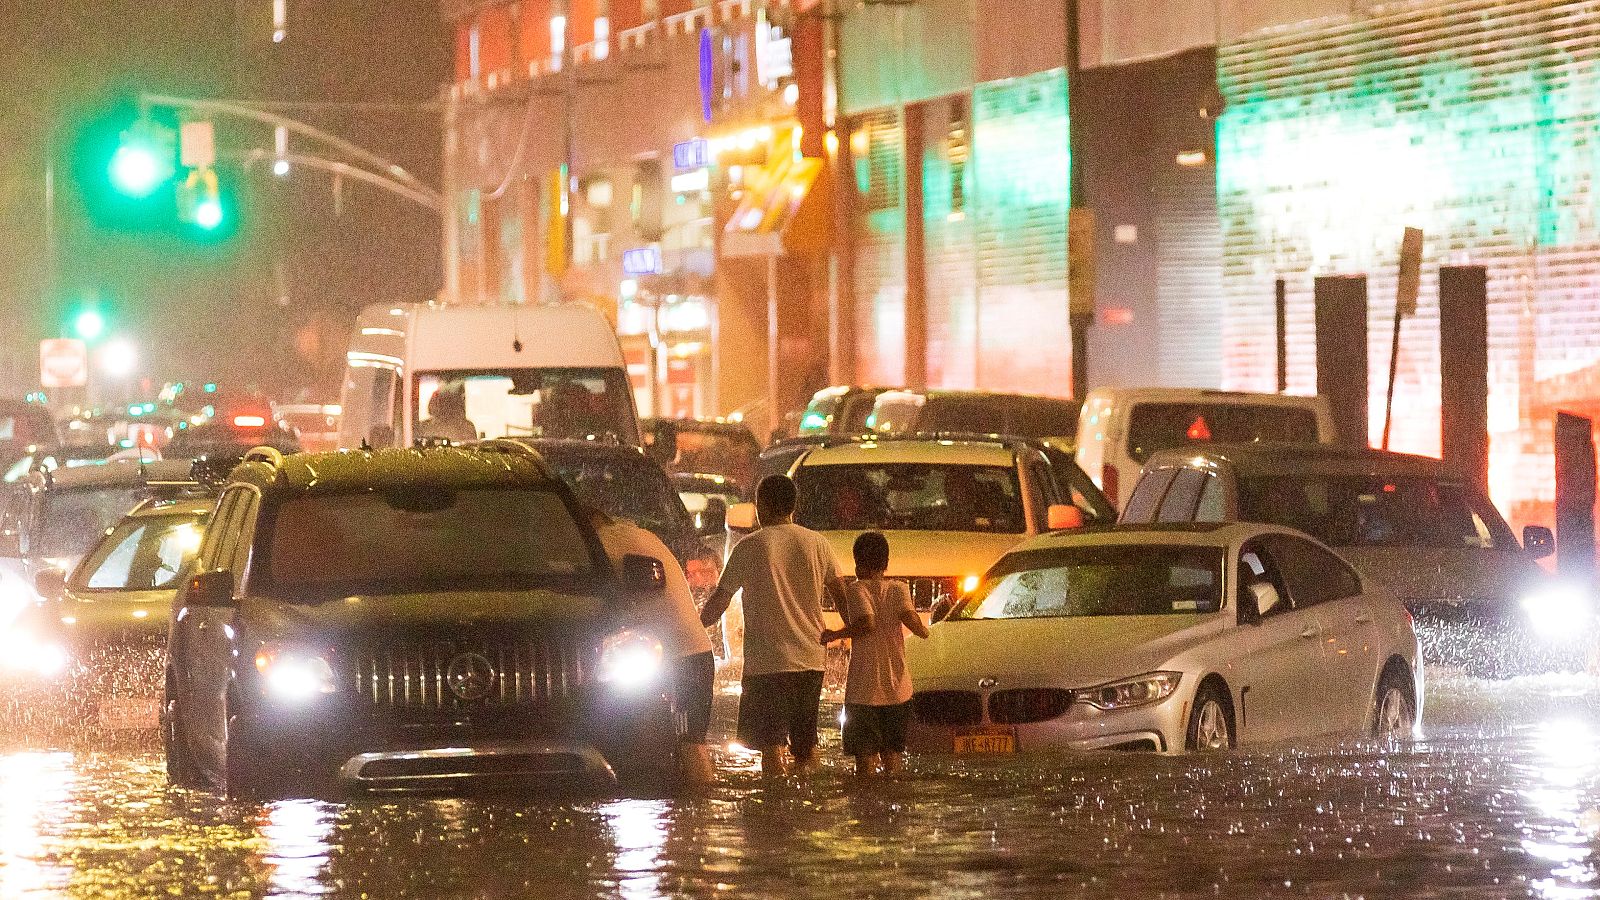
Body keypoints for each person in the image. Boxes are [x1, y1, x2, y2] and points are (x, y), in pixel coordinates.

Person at [701, 474, 847, 776]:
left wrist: (693, 627)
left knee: (771, 748)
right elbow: (842, 598)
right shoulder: (818, 544)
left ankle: (776, 810)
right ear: (793, 506)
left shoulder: (750, 546)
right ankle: (809, 805)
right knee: (806, 746)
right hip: (811, 661)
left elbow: (720, 600)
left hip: (768, 665)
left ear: (762, 506)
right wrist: (855, 633)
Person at [591, 509, 718, 785]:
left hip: (682, 658)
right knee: (684, 744)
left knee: (690, 745)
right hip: (688, 655)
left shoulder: (601, 543)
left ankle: (701, 807)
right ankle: (692, 817)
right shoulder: (641, 535)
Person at [821, 532, 930, 777]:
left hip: (864, 693)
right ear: (886, 564)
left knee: (865, 766)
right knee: (893, 760)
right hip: (898, 690)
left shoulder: (857, 589)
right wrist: (926, 629)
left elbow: (867, 624)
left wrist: (835, 634)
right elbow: (915, 625)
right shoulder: (900, 589)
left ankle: (868, 812)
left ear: (858, 565)